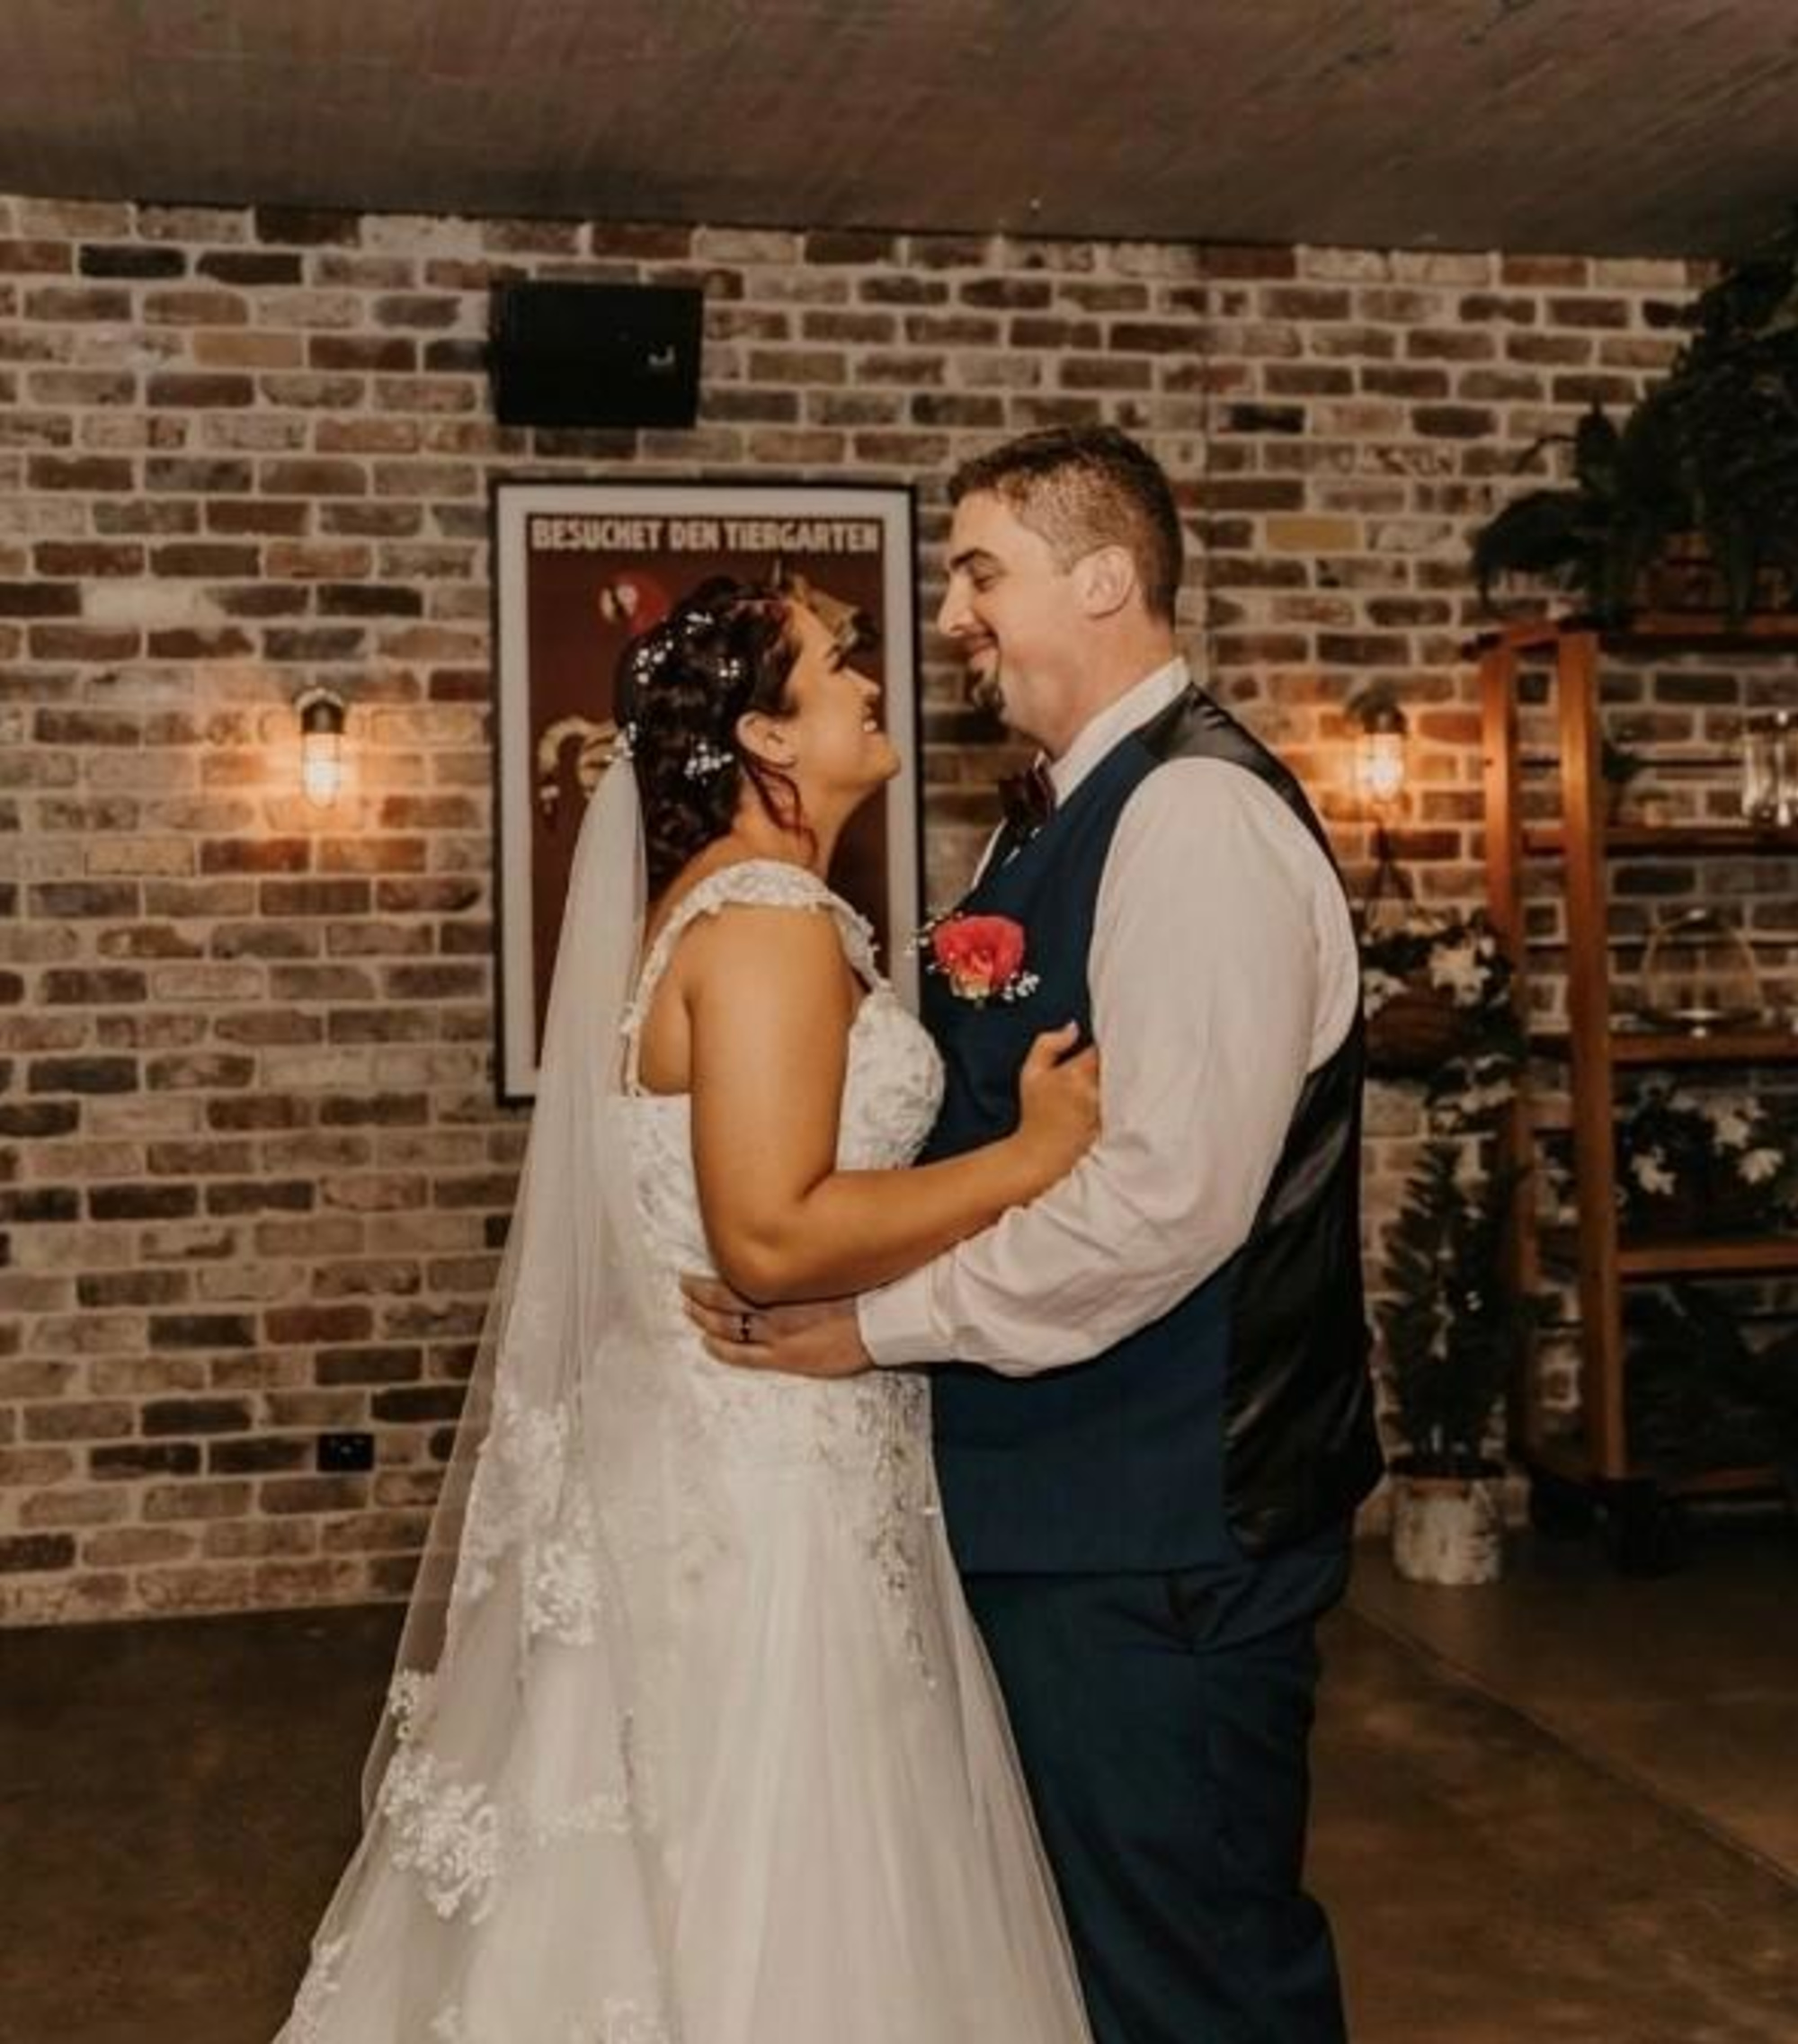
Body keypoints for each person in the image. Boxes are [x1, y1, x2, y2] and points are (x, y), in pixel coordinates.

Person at [271, 575, 1101, 2044]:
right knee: (778, 1879)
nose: (872, 683)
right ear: (767, 736)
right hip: (762, 1488)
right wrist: (1028, 1160)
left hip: (739, 1446)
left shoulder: (727, 909)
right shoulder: (767, 922)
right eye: (838, 665)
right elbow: (769, 1235)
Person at [686, 427, 1384, 2044]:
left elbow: (1161, 1205)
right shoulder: (1051, 823)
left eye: (980, 573)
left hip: (1165, 1530)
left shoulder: (1197, 820)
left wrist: (870, 1327)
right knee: (1081, 1966)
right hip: (1064, 1515)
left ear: (1106, 579)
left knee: (1192, 1977)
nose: (949, 616)